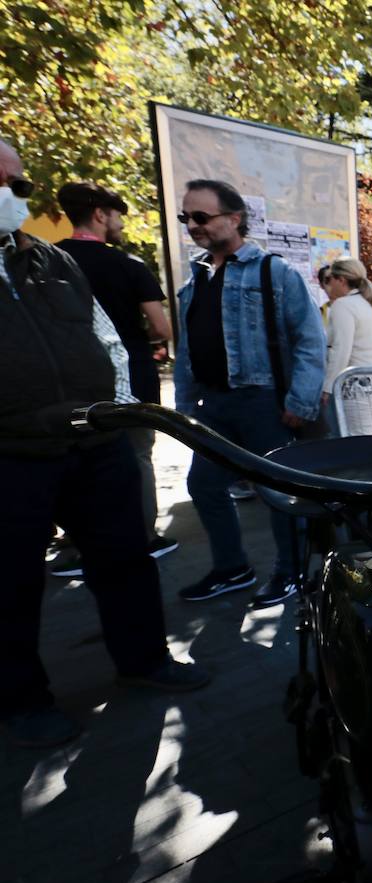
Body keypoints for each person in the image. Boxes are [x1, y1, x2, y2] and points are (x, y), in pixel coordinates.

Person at [0, 137, 208, 747]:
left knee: (125, 558)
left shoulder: (50, 261)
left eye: (18, 184)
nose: (12, 196)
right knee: (11, 582)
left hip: (93, 444)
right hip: (13, 456)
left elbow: (107, 341)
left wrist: (114, 413)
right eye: (1, 183)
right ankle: (21, 699)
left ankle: (144, 660)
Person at [173, 178, 326, 609]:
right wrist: (183, 412)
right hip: (214, 406)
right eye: (187, 217)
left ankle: (291, 570)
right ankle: (231, 567)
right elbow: (187, 351)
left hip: (263, 402)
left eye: (201, 216)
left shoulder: (273, 272)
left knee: (277, 492)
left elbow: (311, 339)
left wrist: (300, 399)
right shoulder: (195, 282)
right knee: (203, 485)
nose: (193, 225)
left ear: (234, 219)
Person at [54, 181, 178, 571]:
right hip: (132, 377)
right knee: (138, 456)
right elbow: (161, 328)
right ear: (100, 214)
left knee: (75, 457)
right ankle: (144, 537)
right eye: (118, 214)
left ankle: (77, 543)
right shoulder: (127, 266)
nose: (121, 223)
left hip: (67, 382)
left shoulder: (47, 261)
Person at [321, 258, 372, 436]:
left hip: (359, 384)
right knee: (363, 437)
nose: (328, 285)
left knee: (357, 441)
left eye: (329, 279)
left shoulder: (342, 306)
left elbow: (341, 350)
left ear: (341, 280)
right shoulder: (368, 303)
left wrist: (328, 388)